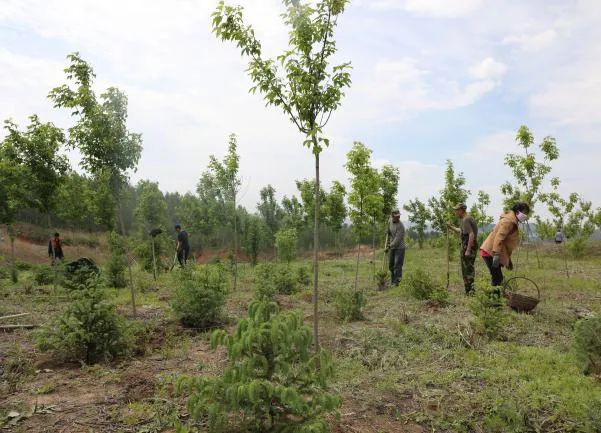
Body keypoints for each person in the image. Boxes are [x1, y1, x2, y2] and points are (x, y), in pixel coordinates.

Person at [480, 202, 530, 286]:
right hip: (490, 252)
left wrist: (508, 260)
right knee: (497, 278)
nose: (525, 216)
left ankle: (494, 293)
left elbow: (505, 244)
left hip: (492, 252)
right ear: (517, 212)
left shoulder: (511, 220)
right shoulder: (508, 221)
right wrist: (496, 255)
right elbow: (499, 238)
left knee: (497, 278)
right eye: (524, 213)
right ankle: (493, 294)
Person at [448, 203, 478, 295]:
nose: (455, 212)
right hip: (467, 247)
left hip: (468, 248)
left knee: (468, 270)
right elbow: (461, 231)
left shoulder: (466, 219)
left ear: (461, 210)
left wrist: (468, 250)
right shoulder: (466, 219)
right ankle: (469, 291)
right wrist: (451, 227)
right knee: (467, 269)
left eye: (456, 210)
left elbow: (471, 235)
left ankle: (470, 292)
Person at [385, 209, 406, 286]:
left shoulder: (401, 226)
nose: (398, 217)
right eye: (396, 216)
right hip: (392, 247)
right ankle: (393, 280)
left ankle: (397, 282)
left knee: (397, 265)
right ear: (392, 216)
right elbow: (389, 230)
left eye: (399, 216)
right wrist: (387, 231)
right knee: (391, 265)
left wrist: (389, 246)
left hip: (399, 248)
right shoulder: (390, 221)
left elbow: (397, 239)